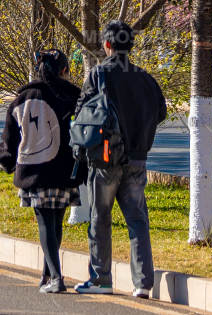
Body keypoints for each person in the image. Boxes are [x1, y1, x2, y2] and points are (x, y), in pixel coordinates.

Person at [74, 19, 167, 299]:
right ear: (131, 46)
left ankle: (101, 278)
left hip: (105, 159)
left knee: (99, 217)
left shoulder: (99, 74)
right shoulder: (146, 79)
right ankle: (143, 283)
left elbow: (82, 113)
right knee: (137, 220)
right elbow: (160, 112)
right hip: (138, 159)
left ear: (107, 45)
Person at [0, 48, 84, 294]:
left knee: (45, 221)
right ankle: (48, 275)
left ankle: (55, 278)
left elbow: (9, 139)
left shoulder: (21, 99)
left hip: (35, 169)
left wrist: (7, 161)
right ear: (64, 70)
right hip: (67, 170)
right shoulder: (73, 96)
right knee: (55, 222)